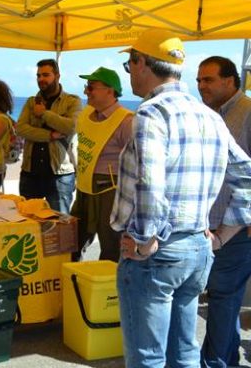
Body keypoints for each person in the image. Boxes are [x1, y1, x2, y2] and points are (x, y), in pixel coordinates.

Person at [112, 31, 251, 368]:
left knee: (148, 358)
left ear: (141, 63)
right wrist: (222, 235)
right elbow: (247, 175)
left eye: (130, 63)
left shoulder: (151, 113)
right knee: (184, 352)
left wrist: (145, 241)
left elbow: (150, 182)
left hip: (158, 251)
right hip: (198, 247)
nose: (129, 71)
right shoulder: (210, 116)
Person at [197, 56, 251, 367]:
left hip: (238, 228)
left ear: (230, 81)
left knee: (221, 299)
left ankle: (215, 363)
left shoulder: (247, 112)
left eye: (208, 80)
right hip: (217, 226)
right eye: (199, 80)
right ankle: (225, 360)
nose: (201, 86)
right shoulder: (213, 114)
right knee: (225, 301)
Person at [70, 67, 132, 261]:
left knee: (111, 247)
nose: (86, 92)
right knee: (72, 240)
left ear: (110, 91)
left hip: (110, 190)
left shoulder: (127, 121)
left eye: (91, 87)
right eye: (87, 87)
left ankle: (108, 289)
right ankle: (75, 281)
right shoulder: (86, 114)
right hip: (84, 188)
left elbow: (136, 164)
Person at [16, 59, 81, 213]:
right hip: (30, 173)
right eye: (38, 76)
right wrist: (50, 135)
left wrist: (44, 114)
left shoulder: (72, 101)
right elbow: (21, 129)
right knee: (29, 224)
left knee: (59, 225)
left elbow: (73, 126)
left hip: (60, 175)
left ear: (57, 76)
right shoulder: (31, 102)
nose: (41, 79)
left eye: (46, 75)